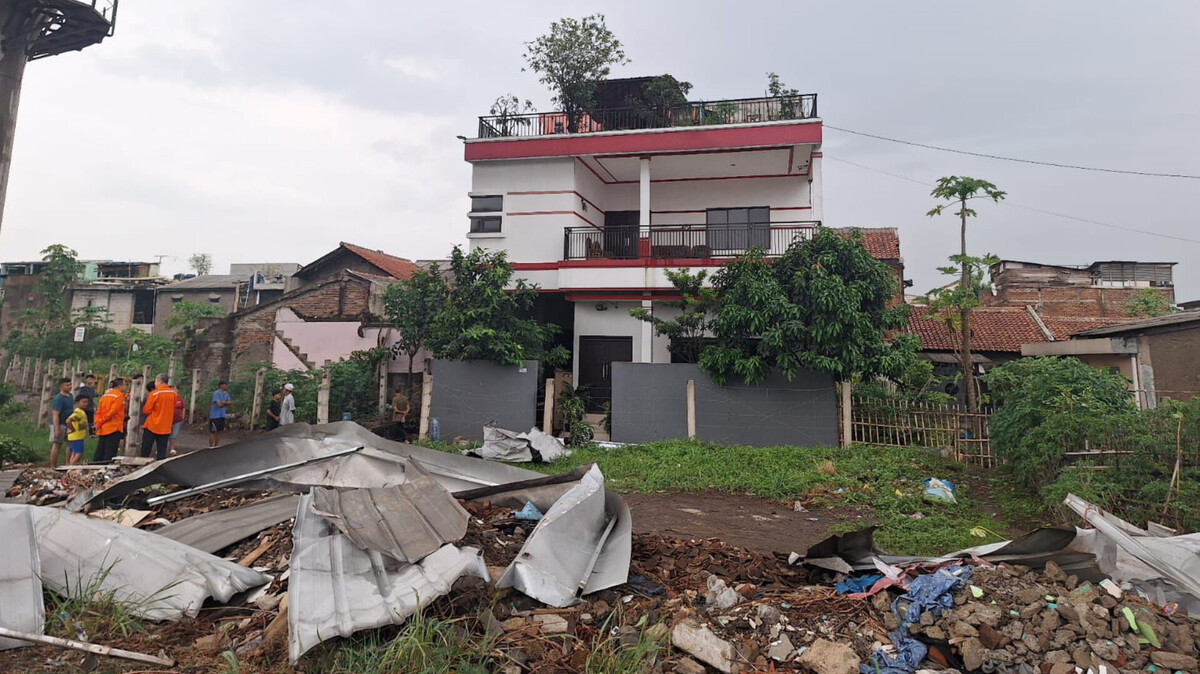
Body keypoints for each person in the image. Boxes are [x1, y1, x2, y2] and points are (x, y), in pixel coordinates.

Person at [140, 374, 178, 461]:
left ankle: (141, 466)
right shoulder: (173, 393)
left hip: (152, 425)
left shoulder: (155, 393)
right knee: (162, 450)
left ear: (159, 381)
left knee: (146, 448)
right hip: (166, 425)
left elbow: (146, 410)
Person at [94, 378, 128, 463]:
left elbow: (99, 411)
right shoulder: (119, 396)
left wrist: (98, 422)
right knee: (110, 452)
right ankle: (105, 469)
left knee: (100, 450)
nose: (126, 387)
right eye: (125, 385)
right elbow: (112, 412)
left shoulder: (105, 396)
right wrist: (102, 420)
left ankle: (96, 466)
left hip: (103, 427)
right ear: (120, 386)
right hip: (114, 427)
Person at [48, 378, 74, 469]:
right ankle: (53, 466)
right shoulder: (58, 398)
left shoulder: (70, 396)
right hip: (59, 424)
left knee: (71, 444)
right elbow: (55, 414)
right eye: (67, 385)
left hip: (68, 424)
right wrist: (57, 428)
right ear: (61, 386)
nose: (70, 387)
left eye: (70, 384)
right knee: (57, 445)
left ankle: (68, 463)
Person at [66, 394, 91, 466]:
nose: (86, 404)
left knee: (74, 453)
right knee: (79, 454)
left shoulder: (81, 411)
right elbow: (68, 421)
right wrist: (72, 429)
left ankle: (70, 467)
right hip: (77, 437)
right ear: (77, 403)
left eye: (87, 402)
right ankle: (72, 467)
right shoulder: (78, 412)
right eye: (84, 402)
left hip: (75, 437)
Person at [209, 380, 232, 447]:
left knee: (219, 431)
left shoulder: (226, 393)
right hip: (215, 416)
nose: (226, 386)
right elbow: (219, 404)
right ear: (221, 385)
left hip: (222, 415)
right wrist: (225, 403)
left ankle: (216, 446)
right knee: (213, 431)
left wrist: (223, 402)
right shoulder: (216, 393)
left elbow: (230, 402)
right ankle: (211, 446)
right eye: (225, 384)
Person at [168, 388, 186, 455]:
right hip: (168, 419)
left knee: (174, 434)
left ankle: (172, 448)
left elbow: (183, 407)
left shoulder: (180, 399)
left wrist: (183, 416)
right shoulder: (168, 399)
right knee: (165, 434)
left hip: (177, 419)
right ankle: (162, 448)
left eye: (176, 391)